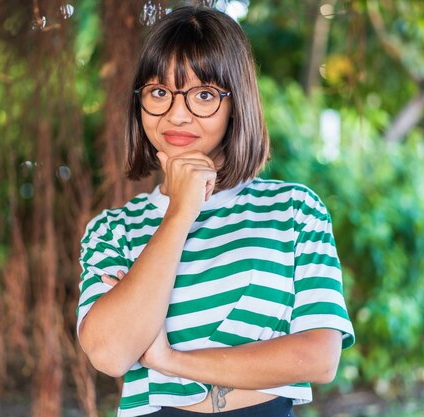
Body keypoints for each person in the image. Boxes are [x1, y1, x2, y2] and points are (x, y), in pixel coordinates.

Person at [77, 6, 354, 417]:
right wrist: (180, 213)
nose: (177, 113)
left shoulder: (294, 210)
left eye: (203, 94)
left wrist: (170, 362)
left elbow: (319, 356)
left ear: (235, 104)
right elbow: (111, 353)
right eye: (158, 92)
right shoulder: (112, 230)